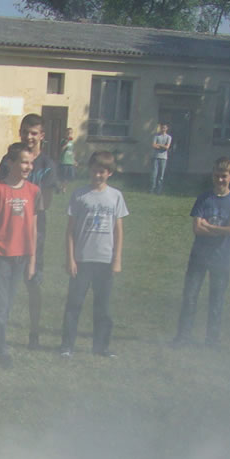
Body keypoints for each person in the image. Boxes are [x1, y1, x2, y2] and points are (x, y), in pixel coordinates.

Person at [0, 114, 57, 350]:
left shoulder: (47, 165)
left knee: (33, 282)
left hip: (33, 232)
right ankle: (0, 331)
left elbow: (47, 202)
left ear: (41, 136)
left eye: (34, 133)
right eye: (25, 132)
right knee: (5, 286)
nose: (29, 137)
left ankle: (34, 332)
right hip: (7, 230)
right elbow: (1, 190)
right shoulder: (9, 159)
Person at [59, 151, 128, 357]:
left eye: (103, 172)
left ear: (109, 174)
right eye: (95, 171)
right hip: (81, 260)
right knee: (74, 304)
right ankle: (67, 346)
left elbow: (118, 230)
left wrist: (117, 258)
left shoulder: (115, 196)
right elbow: (70, 231)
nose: (98, 175)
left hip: (105, 260)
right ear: (89, 170)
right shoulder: (80, 195)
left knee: (103, 308)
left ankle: (101, 346)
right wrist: (70, 258)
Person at [172, 157, 230, 348]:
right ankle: (183, 337)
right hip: (199, 257)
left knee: (216, 301)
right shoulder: (204, 199)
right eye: (217, 176)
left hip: (222, 258)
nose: (220, 180)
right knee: (190, 297)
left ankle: (212, 340)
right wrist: (220, 229)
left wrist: (209, 226)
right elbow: (197, 229)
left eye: (224, 176)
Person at [0, 143, 38, 368]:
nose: (28, 166)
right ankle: (1, 350)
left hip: (21, 256)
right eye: (23, 162)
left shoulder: (33, 191)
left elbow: (33, 228)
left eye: (30, 162)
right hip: (0, 255)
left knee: (6, 305)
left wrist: (32, 260)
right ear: (11, 163)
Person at [151, 123, 172, 193]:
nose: (163, 129)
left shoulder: (168, 137)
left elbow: (167, 147)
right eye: (162, 128)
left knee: (161, 175)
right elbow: (153, 145)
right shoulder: (156, 136)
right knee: (154, 174)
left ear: (167, 129)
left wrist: (159, 145)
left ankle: (159, 190)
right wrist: (162, 146)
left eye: (164, 128)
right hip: (156, 157)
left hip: (164, 158)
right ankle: (152, 189)